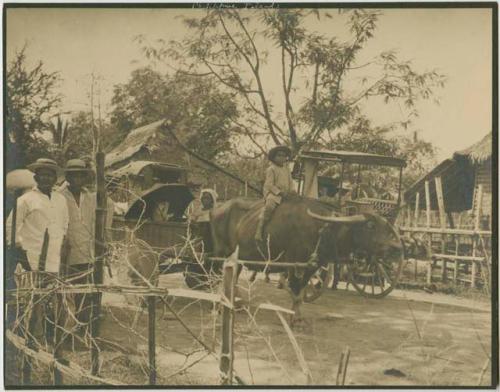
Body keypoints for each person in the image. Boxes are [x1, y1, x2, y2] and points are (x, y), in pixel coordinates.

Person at [6, 158, 69, 341]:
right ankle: (27, 335)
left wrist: (62, 242)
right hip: (31, 256)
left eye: (51, 175)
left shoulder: (61, 199)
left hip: (55, 256)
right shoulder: (25, 200)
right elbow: (11, 227)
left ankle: (50, 335)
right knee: (31, 298)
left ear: (55, 178)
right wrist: (20, 248)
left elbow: (65, 223)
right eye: (43, 175)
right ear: (36, 177)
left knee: (51, 298)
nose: (47, 178)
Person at [58, 159, 114, 335]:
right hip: (67, 253)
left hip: (89, 252)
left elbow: (108, 206)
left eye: (80, 175)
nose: (77, 178)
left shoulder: (90, 197)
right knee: (67, 293)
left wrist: (105, 238)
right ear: (68, 176)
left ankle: (85, 329)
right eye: (73, 175)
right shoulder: (59, 196)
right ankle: (64, 331)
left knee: (89, 292)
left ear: (84, 177)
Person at [255, 145, 294, 243]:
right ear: (274, 157)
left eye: (284, 156)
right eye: (279, 156)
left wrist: (292, 191)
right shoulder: (271, 169)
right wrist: (279, 192)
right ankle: (259, 229)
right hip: (274, 194)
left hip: (286, 193)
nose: (282, 158)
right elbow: (269, 184)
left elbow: (290, 182)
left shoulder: (287, 169)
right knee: (269, 207)